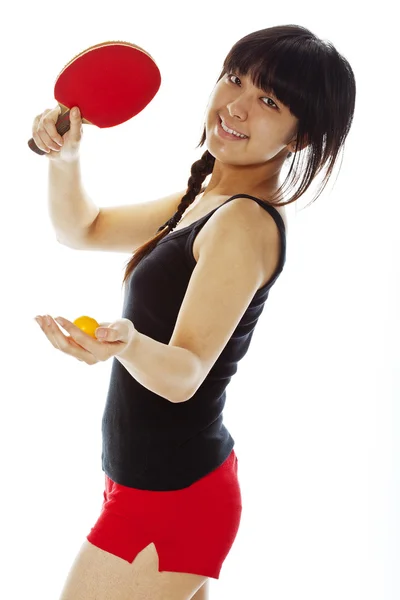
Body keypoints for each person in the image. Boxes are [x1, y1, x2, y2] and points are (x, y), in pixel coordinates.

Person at [32, 24, 356, 600]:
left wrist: (126, 342)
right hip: (152, 483)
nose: (235, 106)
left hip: (171, 496)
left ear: (300, 136)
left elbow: (184, 374)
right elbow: (81, 229)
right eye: (235, 79)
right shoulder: (207, 203)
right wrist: (68, 156)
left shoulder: (242, 223)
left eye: (268, 101)